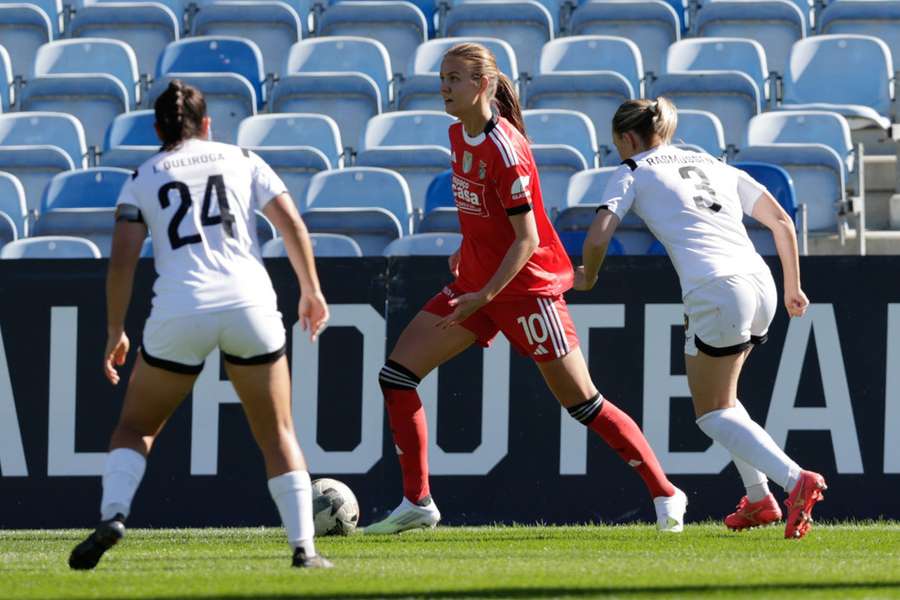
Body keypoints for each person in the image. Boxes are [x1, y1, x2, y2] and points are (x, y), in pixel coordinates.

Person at [365, 43, 686, 535]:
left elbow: (528, 237)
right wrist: (465, 245)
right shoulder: (458, 134)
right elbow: (482, 212)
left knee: (584, 403)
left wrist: (486, 295)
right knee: (397, 376)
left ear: (483, 85)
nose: (444, 87)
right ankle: (418, 503)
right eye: (442, 78)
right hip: (478, 284)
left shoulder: (506, 150)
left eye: (454, 78)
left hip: (525, 288)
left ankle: (666, 494)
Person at [68, 80, 333, 569]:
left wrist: (114, 329)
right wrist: (312, 290)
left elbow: (122, 262)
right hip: (249, 302)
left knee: (135, 428)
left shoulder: (142, 176)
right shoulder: (242, 159)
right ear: (207, 124)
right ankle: (304, 549)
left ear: (157, 129)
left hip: (180, 307)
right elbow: (292, 224)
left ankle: (113, 514)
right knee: (277, 432)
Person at [575, 97, 827, 539]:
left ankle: (795, 481)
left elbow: (598, 236)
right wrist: (793, 287)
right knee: (726, 402)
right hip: (761, 282)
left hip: (715, 289)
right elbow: (783, 222)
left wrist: (589, 276)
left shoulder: (632, 169)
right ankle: (758, 499)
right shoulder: (711, 162)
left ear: (627, 138)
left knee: (711, 414)